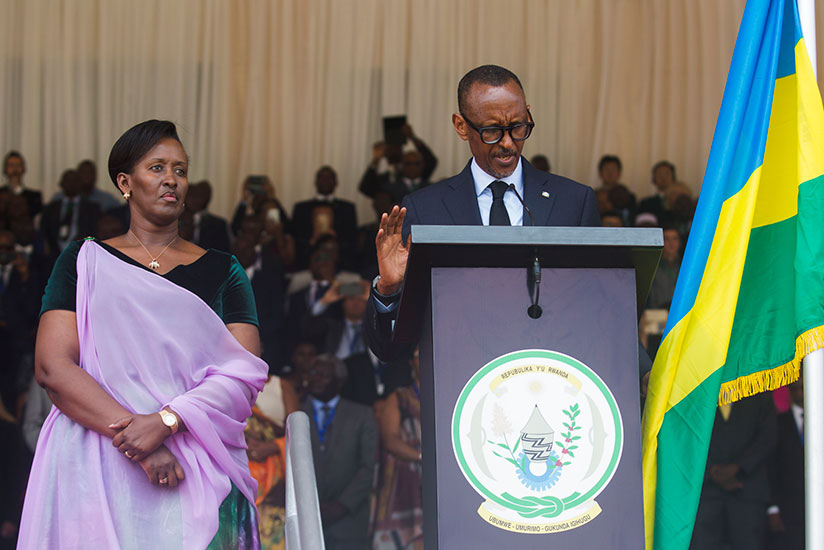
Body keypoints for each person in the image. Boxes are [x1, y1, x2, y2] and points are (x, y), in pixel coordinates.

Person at [18, 120, 269, 549]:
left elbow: (243, 377)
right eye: (157, 168)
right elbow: (53, 366)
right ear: (125, 182)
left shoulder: (224, 270)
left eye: (180, 169)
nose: (171, 179)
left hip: (194, 459)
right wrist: (142, 441)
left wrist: (167, 422)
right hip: (92, 461)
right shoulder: (84, 260)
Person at [365, 65, 600, 361]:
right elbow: (391, 351)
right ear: (461, 126)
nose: (507, 143)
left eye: (518, 127)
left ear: (528, 114)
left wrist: (646, 372)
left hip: (553, 378)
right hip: (461, 388)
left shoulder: (574, 202)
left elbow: (600, 307)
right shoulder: (426, 211)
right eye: (491, 131)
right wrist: (389, 289)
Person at [301, 354, 377, 550]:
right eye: (313, 373)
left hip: (349, 522)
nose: (316, 378)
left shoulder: (362, 415)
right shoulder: (295, 414)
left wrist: (341, 506)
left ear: (340, 381)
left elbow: (369, 467)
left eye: (323, 375)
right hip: (307, 520)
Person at [689, 392, 777, 550]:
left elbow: (768, 436)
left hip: (747, 490)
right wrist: (711, 471)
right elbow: (685, 434)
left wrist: (738, 466)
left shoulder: (758, 386)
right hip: (704, 492)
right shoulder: (698, 388)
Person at [372, 350, 423, 550]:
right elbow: (390, 440)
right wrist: (422, 457)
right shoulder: (399, 397)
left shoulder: (448, 393)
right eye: (419, 355)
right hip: (406, 478)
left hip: (441, 477)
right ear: (412, 362)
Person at [245, 375, 299, 550]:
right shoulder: (219, 380)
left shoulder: (280, 385)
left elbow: (297, 432)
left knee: (273, 532)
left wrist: (274, 446)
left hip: (275, 474)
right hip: (239, 470)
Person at [290, 166, 358, 270]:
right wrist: (312, 240)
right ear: (316, 181)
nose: (325, 181)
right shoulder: (301, 208)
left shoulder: (347, 208)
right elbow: (296, 239)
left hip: (341, 266)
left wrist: (334, 241)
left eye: (329, 178)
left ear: (336, 182)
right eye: (322, 178)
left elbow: (352, 239)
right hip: (306, 264)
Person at [359, 126, 438, 205]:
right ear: (403, 164)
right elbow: (366, 188)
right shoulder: (386, 183)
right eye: (408, 164)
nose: (412, 167)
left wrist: (412, 137)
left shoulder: (426, 184)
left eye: (416, 164)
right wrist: (376, 159)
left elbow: (430, 161)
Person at [0, 151, 42, 219]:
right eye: (11, 165)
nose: (15, 169)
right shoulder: (1, 194)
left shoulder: (34, 197)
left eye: (18, 165)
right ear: (5, 169)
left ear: (23, 169)